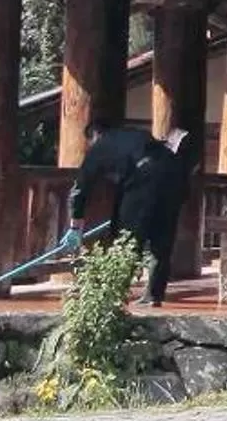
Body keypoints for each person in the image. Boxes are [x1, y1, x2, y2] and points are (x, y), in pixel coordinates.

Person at [69, 116, 195, 306]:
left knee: (127, 239)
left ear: (95, 134)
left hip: (144, 179)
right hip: (174, 177)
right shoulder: (137, 134)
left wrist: (75, 225)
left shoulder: (100, 145)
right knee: (162, 242)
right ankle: (153, 295)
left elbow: (80, 188)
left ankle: (114, 294)